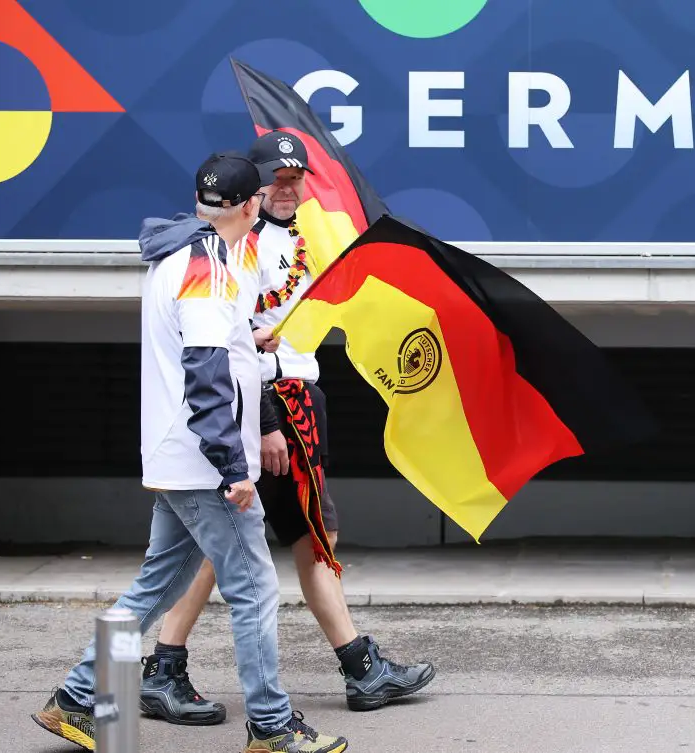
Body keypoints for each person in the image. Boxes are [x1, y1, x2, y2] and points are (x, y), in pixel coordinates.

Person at [32, 151, 348, 753]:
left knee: (154, 586)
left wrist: (245, 338)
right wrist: (235, 467)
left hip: (175, 456)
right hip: (208, 464)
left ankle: (77, 700)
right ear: (251, 205)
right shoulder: (212, 267)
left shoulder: (178, 256)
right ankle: (273, 727)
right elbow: (204, 372)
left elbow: (204, 347)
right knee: (254, 588)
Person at [137, 130, 435, 726]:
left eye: (295, 178)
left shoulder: (238, 248)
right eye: (273, 179)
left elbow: (225, 354)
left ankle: (108, 690)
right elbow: (217, 360)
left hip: (225, 427)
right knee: (252, 565)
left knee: (203, 563)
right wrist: (264, 423)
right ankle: (269, 715)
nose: (284, 188)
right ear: (247, 196)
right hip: (250, 419)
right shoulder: (223, 258)